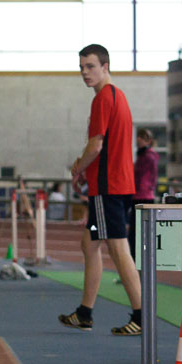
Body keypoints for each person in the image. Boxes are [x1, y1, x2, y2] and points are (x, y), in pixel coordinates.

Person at [60, 44, 142, 337]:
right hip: (109, 184)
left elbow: (96, 145)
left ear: (105, 66)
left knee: (119, 249)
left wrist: (78, 168)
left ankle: (141, 315)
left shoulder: (104, 99)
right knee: (89, 244)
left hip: (110, 187)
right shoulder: (116, 96)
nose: (84, 72)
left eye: (90, 66)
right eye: (81, 67)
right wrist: (85, 170)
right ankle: (84, 312)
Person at [128, 128, 159, 259]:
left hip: (143, 197)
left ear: (149, 141)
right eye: (139, 136)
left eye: (142, 137)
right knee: (135, 234)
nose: (138, 139)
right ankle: (134, 266)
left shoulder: (149, 156)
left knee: (139, 234)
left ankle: (138, 266)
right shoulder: (142, 156)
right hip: (138, 196)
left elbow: (147, 178)